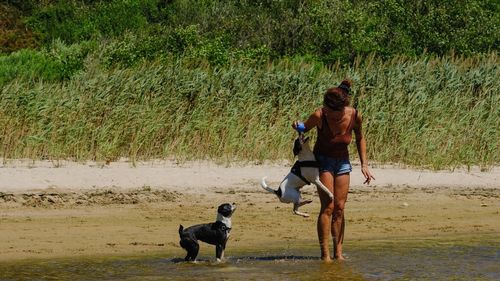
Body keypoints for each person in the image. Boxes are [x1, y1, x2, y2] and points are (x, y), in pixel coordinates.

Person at [292, 79, 375, 262]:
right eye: (329, 110)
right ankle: (325, 255)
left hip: (343, 163)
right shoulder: (320, 114)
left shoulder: (354, 115)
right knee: (328, 207)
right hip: (323, 162)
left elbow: (360, 138)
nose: (332, 114)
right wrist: (297, 125)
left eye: (335, 112)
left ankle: (338, 253)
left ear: (343, 107)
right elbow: (304, 127)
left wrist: (364, 164)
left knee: (340, 208)